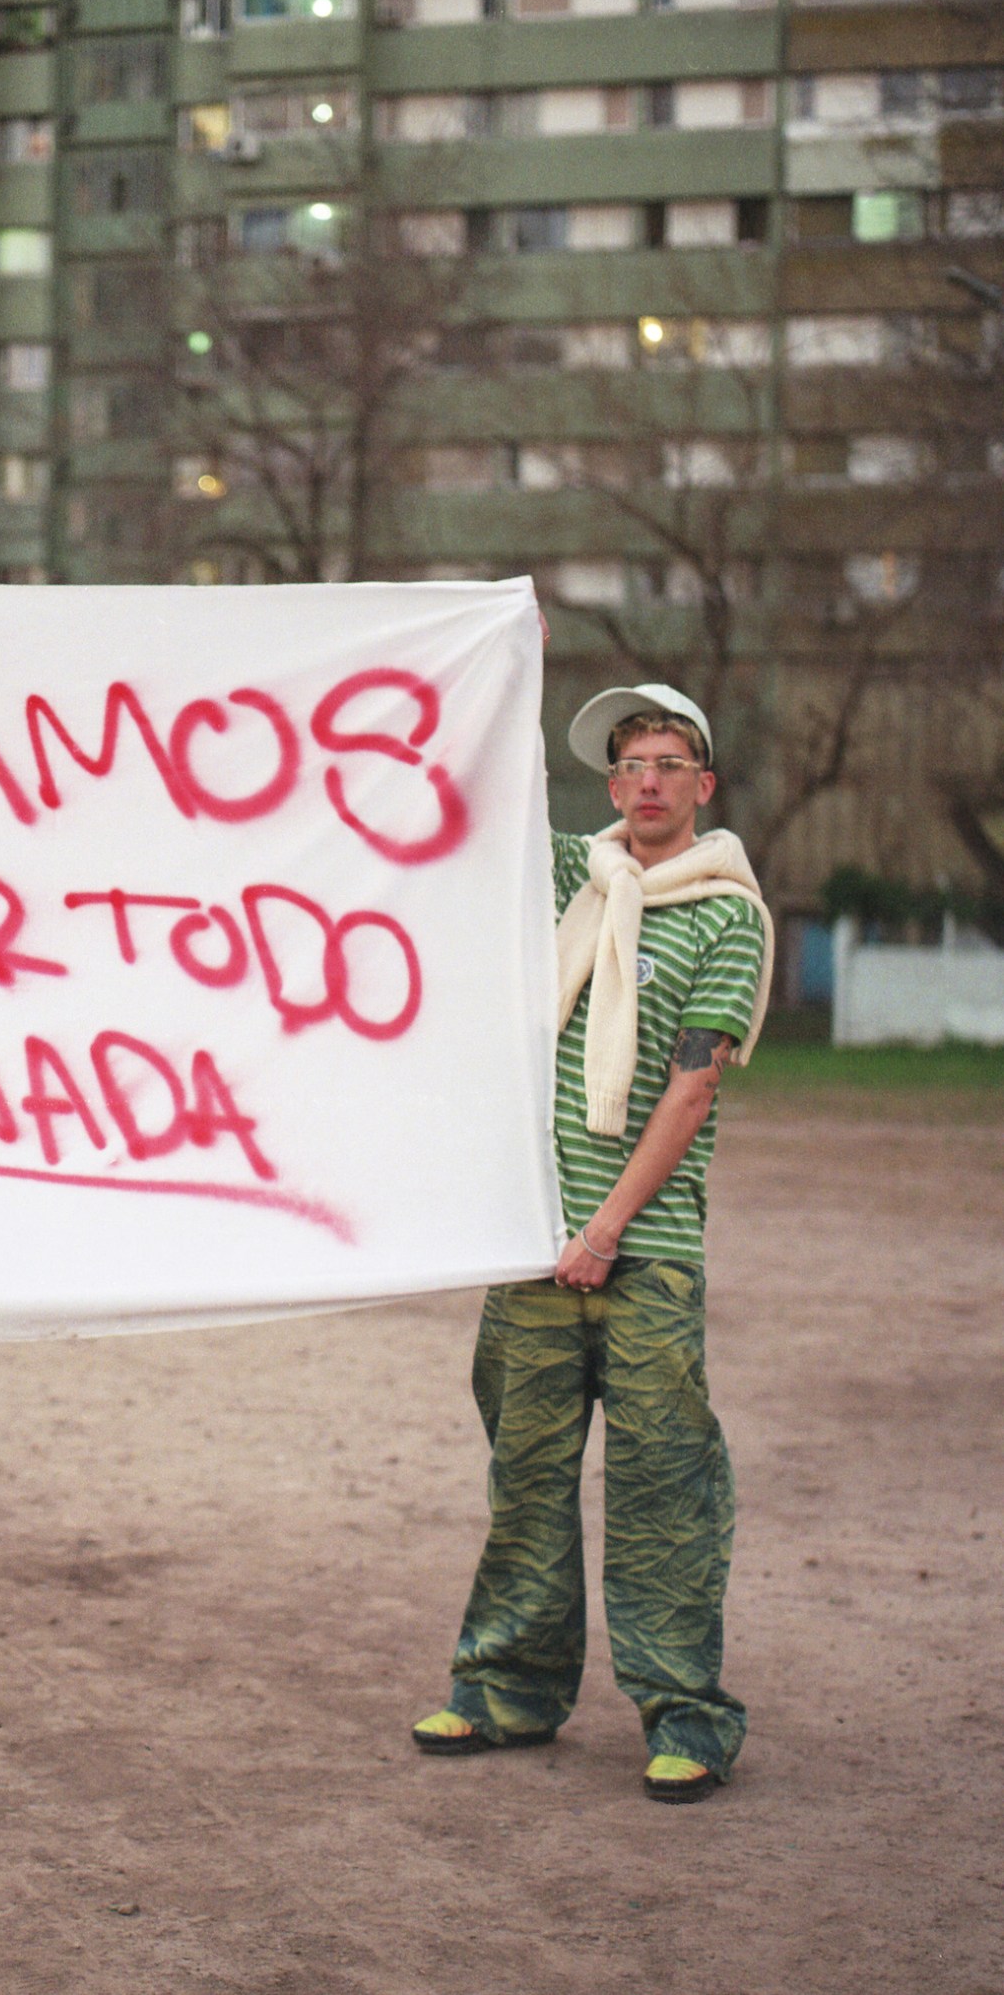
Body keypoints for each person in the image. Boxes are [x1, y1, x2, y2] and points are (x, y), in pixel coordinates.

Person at [412, 682, 773, 1804]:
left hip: (642, 1253)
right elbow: (485, 800)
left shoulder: (728, 915)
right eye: (630, 766)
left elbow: (689, 1086)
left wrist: (603, 1231)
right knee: (523, 1476)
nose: (648, 781)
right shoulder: (572, 875)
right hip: (531, 1244)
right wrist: (507, 667)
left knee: (661, 1486)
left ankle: (684, 1714)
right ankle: (507, 1688)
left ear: (701, 784)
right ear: (609, 784)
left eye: (669, 762)